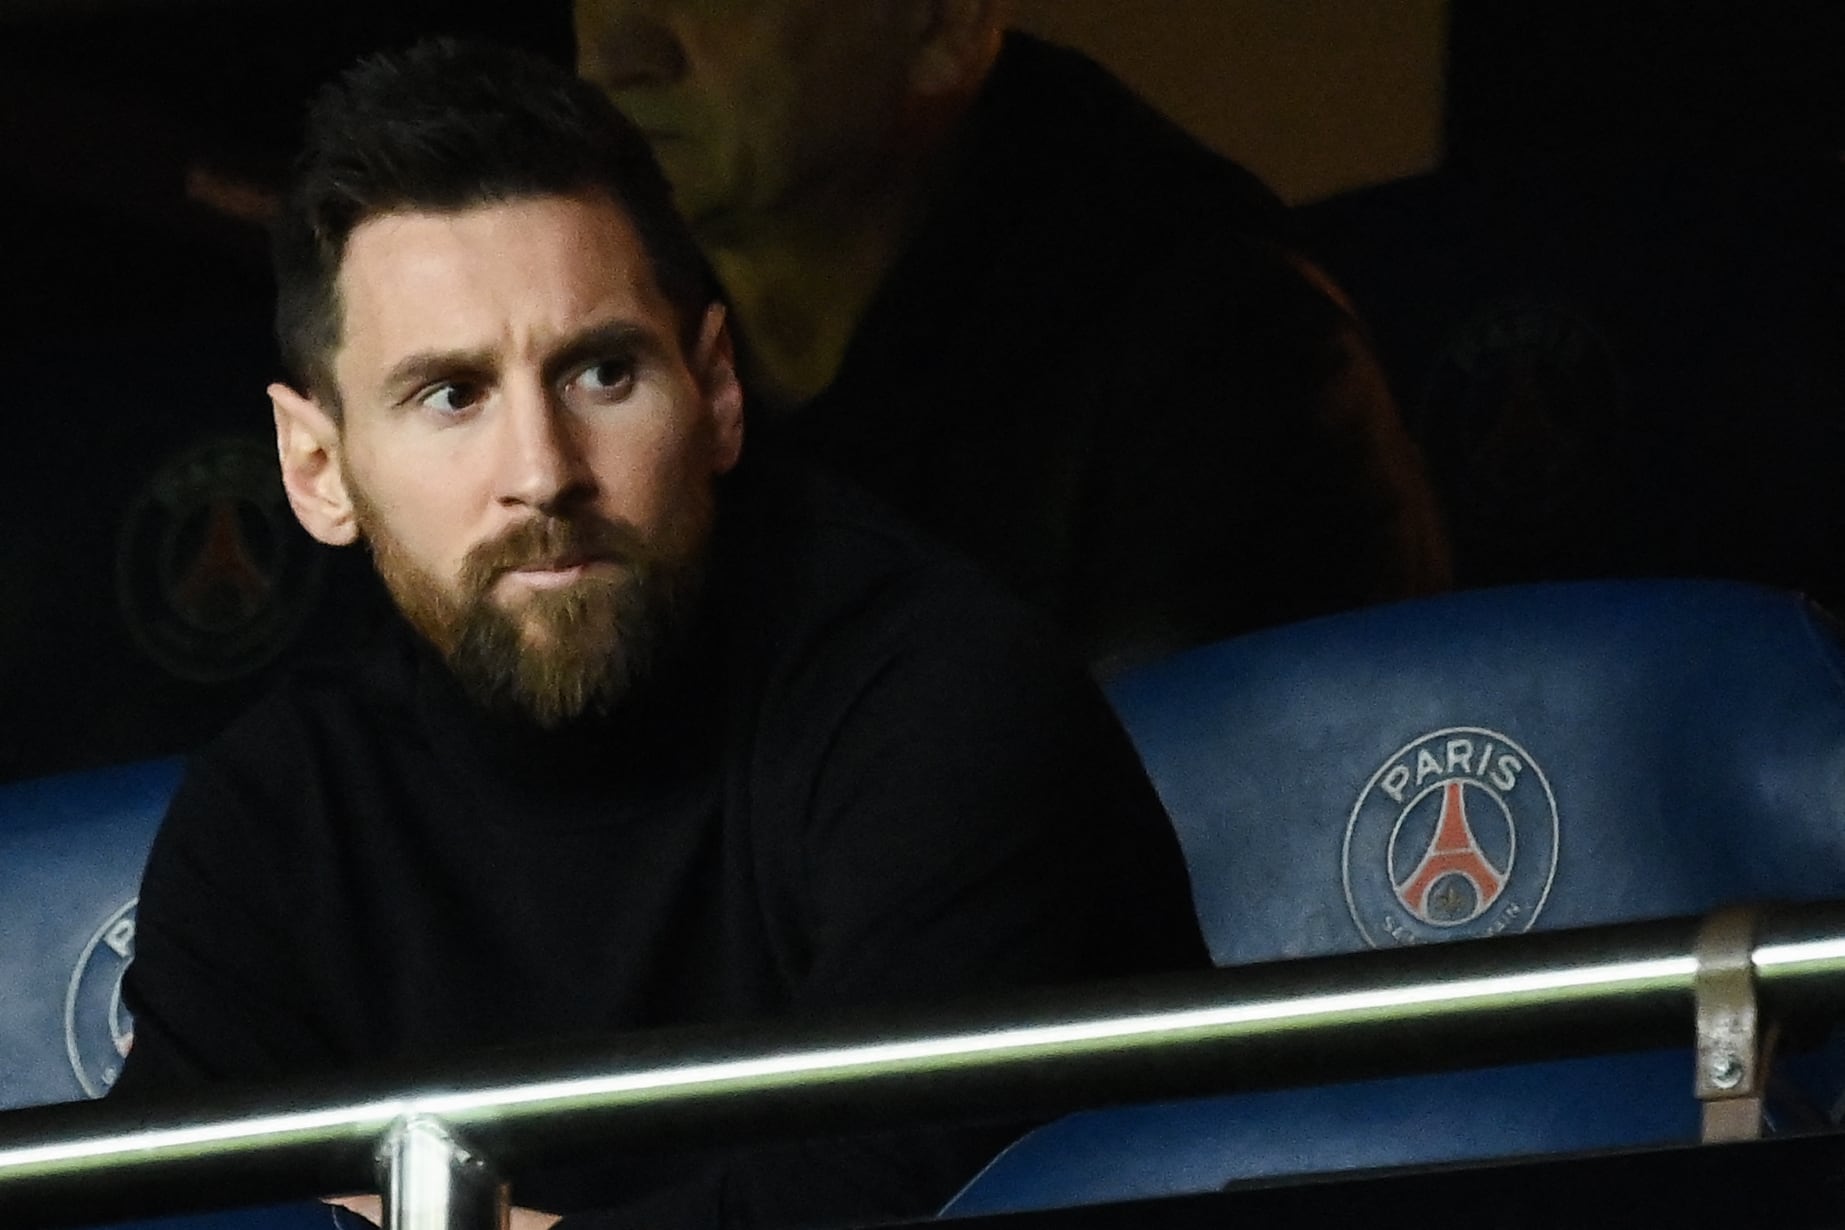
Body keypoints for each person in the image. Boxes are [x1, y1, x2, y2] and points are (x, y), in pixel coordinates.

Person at [110, 37, 1210, 1230]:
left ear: (718, 392)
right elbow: (162, 1216)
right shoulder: (275, 818)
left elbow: (914, 1199)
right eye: (450, 396)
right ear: (316, 468)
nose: (542, 473)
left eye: (600, 372)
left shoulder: (942, 702)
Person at [575, 0, 1450, 672]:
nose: (617, 50)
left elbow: (1223, 844)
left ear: (943, 22)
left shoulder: (1216, 354)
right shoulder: (573, 304)